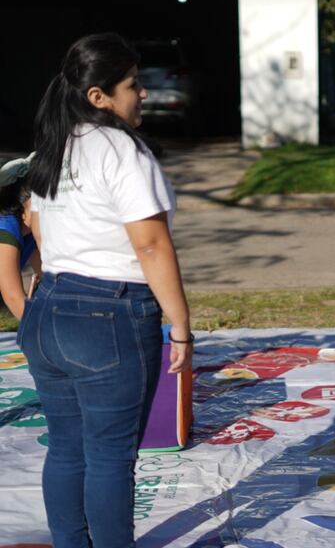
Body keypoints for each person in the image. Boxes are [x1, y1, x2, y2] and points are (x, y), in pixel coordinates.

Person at [19, 33, 193, 547]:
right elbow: (152, 244)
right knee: (111, 459)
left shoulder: (56, 144)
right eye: (133, 85)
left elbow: (42, 234)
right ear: (99, 96)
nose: (143, 94)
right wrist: (179, 327)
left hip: (48, 310)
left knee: (68, 451)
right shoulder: (121, 148)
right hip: (106, 318)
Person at [0, 155, 41, 320]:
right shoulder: (5, 226)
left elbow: (52, 278)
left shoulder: (31, 233)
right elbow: (13, 297)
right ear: (25, 201)